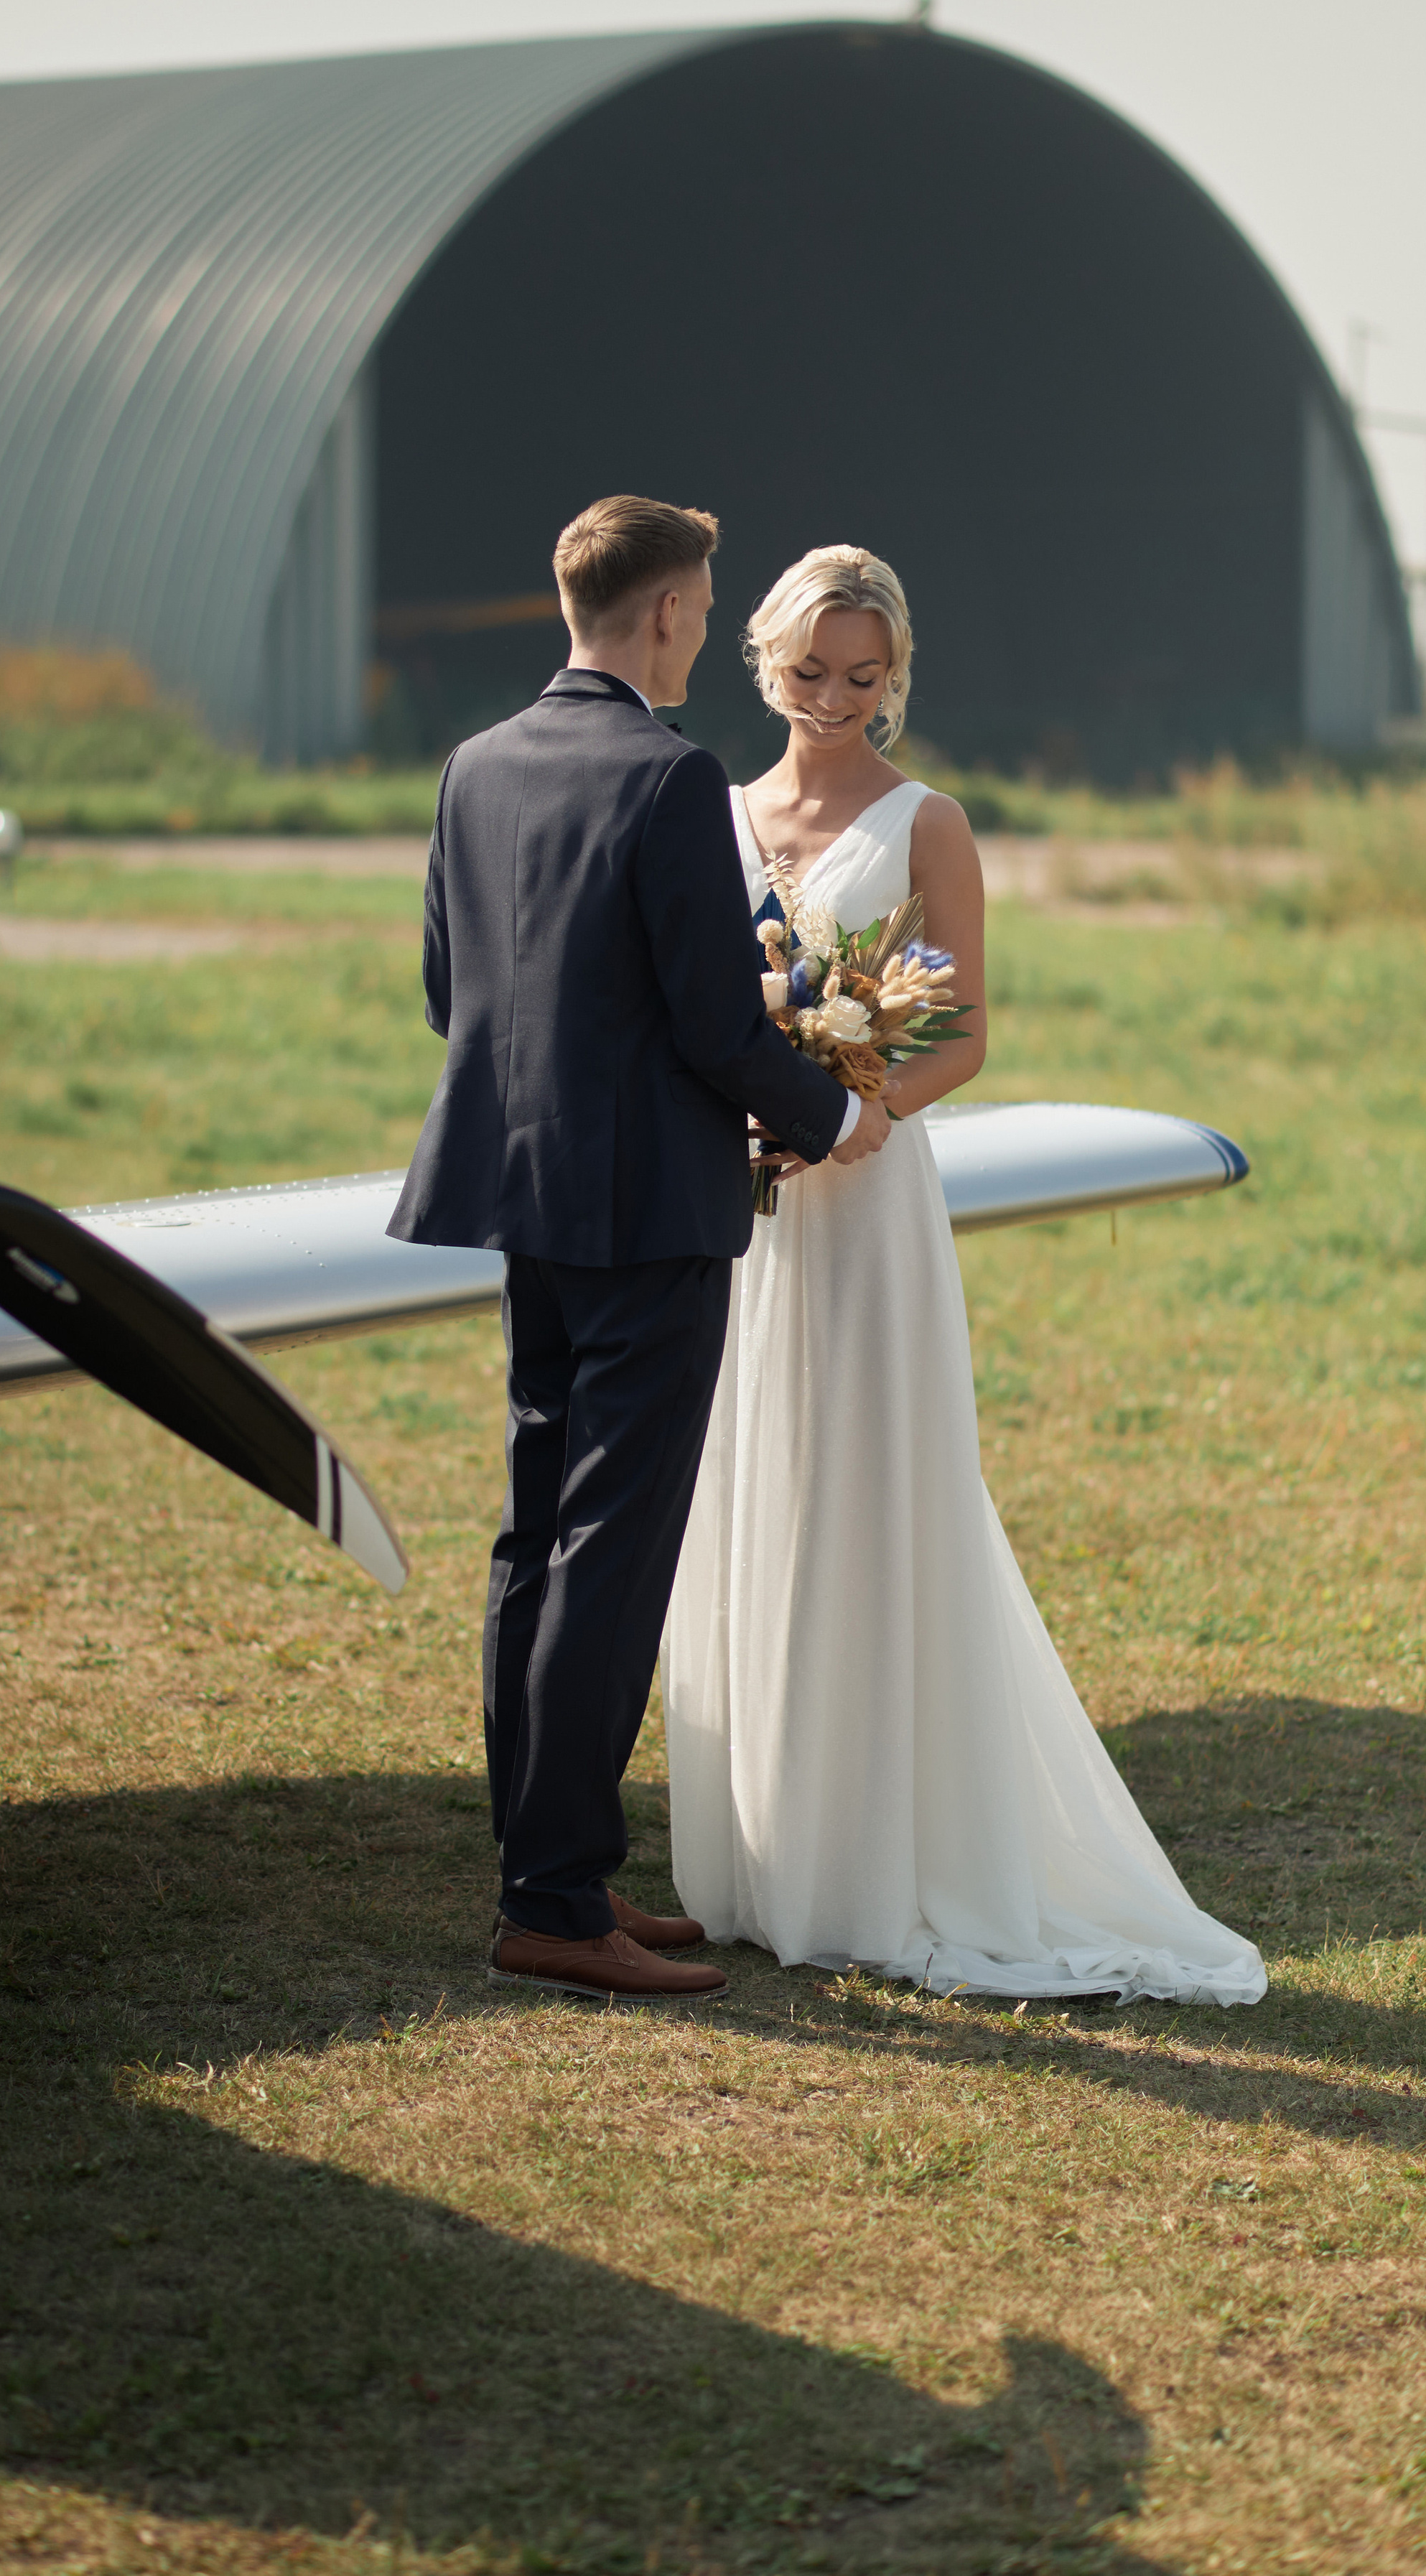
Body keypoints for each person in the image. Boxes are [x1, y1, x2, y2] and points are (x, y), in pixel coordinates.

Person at [661, 544, 1266, 2007]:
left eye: (863, 680)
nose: (834, 704)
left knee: (872, 1489)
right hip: (741, 1211)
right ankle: (760, 1852)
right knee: (746, 1485)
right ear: (763, 663)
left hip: (866, 1203)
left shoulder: (930, 822)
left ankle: (877, 1854)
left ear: (896, 678)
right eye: (809, 675)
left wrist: (853, 1112)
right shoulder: (715, 814)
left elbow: (964, 1032)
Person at [388, 497, 877, 2001]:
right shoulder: (667, 781)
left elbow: (441, 990)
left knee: (537, 1526)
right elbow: (715, 1021)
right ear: (668, 614)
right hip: (652, 1214)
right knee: (611, 1539)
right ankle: (552, 1898)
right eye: (706, 602)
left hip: (518, 1197)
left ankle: (551, 1869)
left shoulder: (476, 764)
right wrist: (836, 1114)